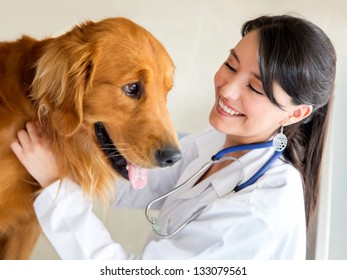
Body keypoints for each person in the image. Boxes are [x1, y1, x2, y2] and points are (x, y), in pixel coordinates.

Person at [11, 14, 336, 259]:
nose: (228, 89)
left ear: (296, 113)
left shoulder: (259, 214)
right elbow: (136, 180)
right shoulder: (215, 146)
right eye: (231, 65)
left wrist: (57, 187)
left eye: (254, 87)